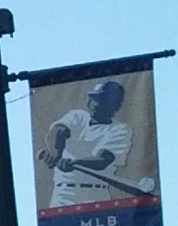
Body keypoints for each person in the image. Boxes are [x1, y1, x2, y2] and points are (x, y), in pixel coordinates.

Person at [41, 78, 140, 207]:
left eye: (103, 100)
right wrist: (56, 153)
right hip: (63, 194)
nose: (96, 104)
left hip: (96, 194)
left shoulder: (121, 130)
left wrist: (75, 162)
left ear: (117, 105)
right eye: (94, 98)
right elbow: (57, 131)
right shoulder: (77, 116)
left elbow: (102, 160)